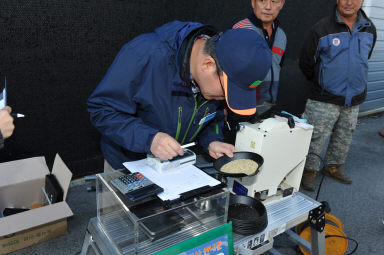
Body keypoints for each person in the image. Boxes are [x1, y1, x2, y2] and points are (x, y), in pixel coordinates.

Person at [87, 21, 272, 170]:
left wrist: (211, 141)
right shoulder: (144, 56)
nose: (225, 99)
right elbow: (102, 109)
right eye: (227, 92)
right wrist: (150, 139)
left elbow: (210, 117)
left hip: (175, 166)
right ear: (207, 65)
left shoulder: (217, 76)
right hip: (127, 165)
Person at [299, 0, 376, 191]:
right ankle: (308, 171)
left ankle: (333, 167)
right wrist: (324, 83)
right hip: (324, 98)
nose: (349, 2)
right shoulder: (321, 29)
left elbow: (365, 58)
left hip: (354, 97)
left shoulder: (369, 29)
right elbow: (306, 62)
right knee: (315, 137)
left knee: (344, 136)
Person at [225, 0, 286, 144]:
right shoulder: (241, 30)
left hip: (268, 109)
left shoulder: (282, 35)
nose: (268, 7)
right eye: (262, 0)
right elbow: (225, 72)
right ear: (253, 2)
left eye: (274, 1)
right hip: (240, 110)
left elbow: (277, 67)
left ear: (282, 4)